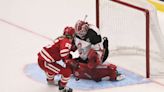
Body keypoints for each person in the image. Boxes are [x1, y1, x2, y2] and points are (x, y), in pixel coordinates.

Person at [37, 26, 76, 92]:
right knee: (67, 72)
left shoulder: (61, 38)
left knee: (53, 68)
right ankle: (62, 88)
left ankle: (50, 81)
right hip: (45, 62)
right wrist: (67, 58)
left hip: (44, 60)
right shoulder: (66, 41)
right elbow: (63, 53)